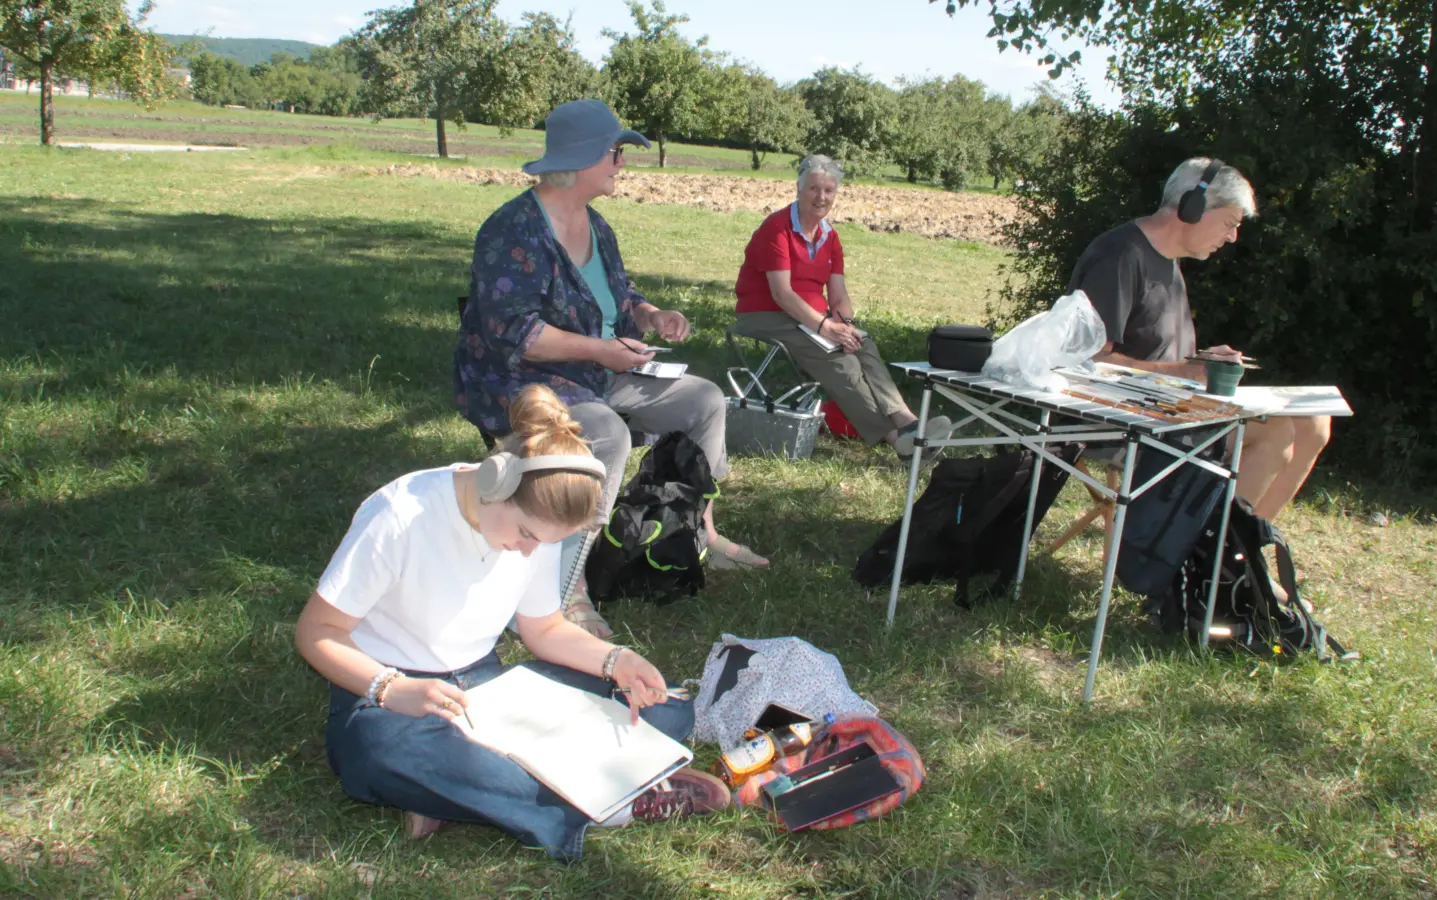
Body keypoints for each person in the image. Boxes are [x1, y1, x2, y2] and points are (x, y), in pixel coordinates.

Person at [294, 384, 730, 860]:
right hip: (387, 693)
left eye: (541, 542)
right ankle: (613, 798)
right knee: (375, 753)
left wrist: (616, 660)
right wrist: (390, 688)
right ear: (495, 482)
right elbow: (317, 633)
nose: (528, 550)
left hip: (487, 689)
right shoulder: (400, 515)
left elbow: (542, 629)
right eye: (526, 534)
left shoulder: (532, 530)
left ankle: (459, 792)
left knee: (665, 709)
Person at [454, 98, 768, 640]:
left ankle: (699, 534)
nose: (622, 163)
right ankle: (565, 586)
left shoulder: (595, 225)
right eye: (616, 153)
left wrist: (649, 314)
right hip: (516, 381)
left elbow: (619, 295)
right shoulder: (513, 232)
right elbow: (517, 333)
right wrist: (602, 351)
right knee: (603, 433)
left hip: (597, 370)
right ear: (582, 158)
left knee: (705, 401)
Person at [1069, 157, 1331, 522]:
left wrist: (1203, 364)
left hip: (1172, 408)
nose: (1232, 236)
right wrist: (1188, 371)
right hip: (1122, 420)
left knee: (1315, 423)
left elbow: (1155, 350)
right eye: (1229, 223)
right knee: (1278, 433)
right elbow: (1087, 362)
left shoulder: (1168, 260)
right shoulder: (1121, 256)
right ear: (1192, 208)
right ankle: (1210, 564)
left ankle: (1245, 551)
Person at [732, 154, 953, 462]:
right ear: (799, 189)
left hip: (809, 320)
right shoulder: (777, 228)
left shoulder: (830, 235)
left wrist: (844, 324)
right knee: (840, 360)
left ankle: (907, 421)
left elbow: (838, 294)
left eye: (828, 190)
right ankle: (898, 442)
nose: (821, 197)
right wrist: (825, 328)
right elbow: (781, 294)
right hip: (765, 315)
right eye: (813, 189)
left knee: (862, 345)